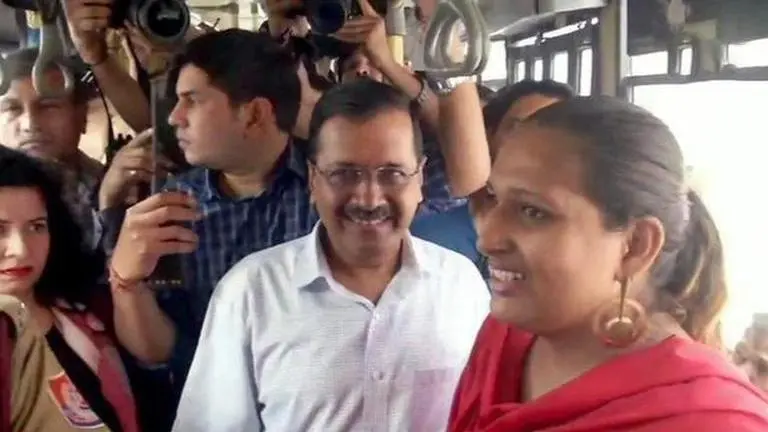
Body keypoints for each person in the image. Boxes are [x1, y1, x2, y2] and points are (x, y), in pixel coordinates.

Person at [172, 79, 490, 432]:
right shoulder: (250, 293)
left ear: (419, 180)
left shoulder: (462, 288)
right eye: (343, 174)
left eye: (393, 174)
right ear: (312, 179)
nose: (369, 199)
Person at [449, 96, 768, 431]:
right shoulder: (504, 337)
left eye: (533, 212)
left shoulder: (712, 421)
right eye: (494, 198)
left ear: (635, 246)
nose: (487, 239)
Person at [0, 148, 174, 432]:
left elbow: (161, 360)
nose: (20, 250)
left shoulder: (88, 312)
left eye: (36, 227)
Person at [0, 48, 104, 249]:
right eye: (12, 109)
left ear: (81, 117)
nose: (30, 124)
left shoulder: (112, 186)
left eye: (48, 106)